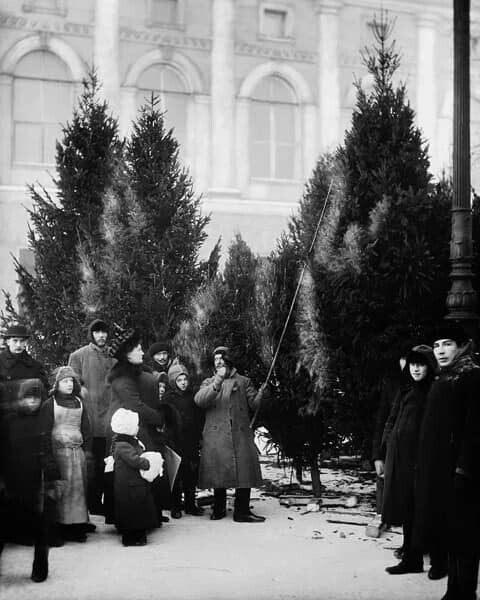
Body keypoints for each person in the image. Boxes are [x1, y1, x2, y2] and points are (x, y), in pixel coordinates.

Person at [415, 323, 480, 599]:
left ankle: (464, 593)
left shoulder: (472, 377)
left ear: (462, 346)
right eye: (438, 345)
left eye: (448, 344)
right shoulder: (444, 377)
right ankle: (454, 591)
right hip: (440, 470)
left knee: (464, 536)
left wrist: (463, 469)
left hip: (462, 472)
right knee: (450, 532)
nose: (441, 350)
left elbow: (474, 429)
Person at [0, 325, 58, 582]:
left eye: (22, 340)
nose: (19, 344)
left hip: (28, 434)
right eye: (14, 340)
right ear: (7, 341)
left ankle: (38, 562)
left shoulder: (33, 366)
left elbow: (41, 396)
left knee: (33, 501)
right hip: (4, 432)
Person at [194, 346, 265, 523]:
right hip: (216, 434)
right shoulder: (209, 381)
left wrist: (262, 394)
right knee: (219, 470)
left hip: (240, 434)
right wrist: (217, 380)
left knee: (244, 472)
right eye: (215, 358)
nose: (218, 361)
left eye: (221, 358)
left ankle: (242, 511)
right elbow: (199, 400)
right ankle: (218, 508)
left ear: (229, 360)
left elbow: (254, 404)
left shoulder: (243, 381)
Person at [382, 345, 436, 575]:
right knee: (405, 507)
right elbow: (392, 418)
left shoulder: (432, 390)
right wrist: (386, 445)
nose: (415, 368)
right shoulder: (405, 389)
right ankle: (411, 557)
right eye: (413, 364)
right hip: (399, 458)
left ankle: (427, 556)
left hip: (420, 460)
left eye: (421, 364)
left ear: (429, 366)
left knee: (421, 509)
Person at [104, 328, 166, 524]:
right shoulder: (122, 378)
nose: (142, 351)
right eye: (138, 348)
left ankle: (150, 514)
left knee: (143, 471)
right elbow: (134, 405)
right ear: (126, 355)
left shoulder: (137, 372)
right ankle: (131, 520)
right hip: (125, 433)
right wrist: (158, 418)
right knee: (131, 477)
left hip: (138, 428)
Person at [68, 319, 116, 516]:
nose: (101, 336)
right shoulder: (79, 356)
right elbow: (71, 383)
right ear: (91, 335)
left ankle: (108, 504)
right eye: (97, 332)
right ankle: (92, 504)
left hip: (111, 421)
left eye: (104, 332)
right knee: (91, 465)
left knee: (110, 463)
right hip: (89, 420)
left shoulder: (115, 358)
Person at [40, 366, 92, 543]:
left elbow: (86, 428)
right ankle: (60, 528)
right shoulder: (50, 404)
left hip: (78, 454)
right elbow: (44, 432)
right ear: (57, 384)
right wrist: (48, 458)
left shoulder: (79, 402)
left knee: (79, 491)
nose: (69, 384)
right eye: (65, 381)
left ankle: (77, 527)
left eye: (71, 381)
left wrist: (88, 451)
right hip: (58, 454)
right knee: (61, 492)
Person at [110, 408, 158, 546]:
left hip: (133, 483)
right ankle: (131, 537)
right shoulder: (124, 445)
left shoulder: (126, 442)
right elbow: (134, 460)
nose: (138, 428)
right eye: (135, 425)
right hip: (129, 484)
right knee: (132, 511)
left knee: (135, 511)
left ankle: (137, 534)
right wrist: (148, 463)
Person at [164, 362, 204, 518]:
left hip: (191, 440)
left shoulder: (193, 396)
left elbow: (199, 417)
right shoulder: (168, 398)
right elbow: (166, 419)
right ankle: (175, 505)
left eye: (185, 380)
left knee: (191, 474)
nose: (183, 383)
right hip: (175, 441)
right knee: (176, 474)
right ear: (173, 381)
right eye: (179, 380)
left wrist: (199, 436)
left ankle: (190, 504)